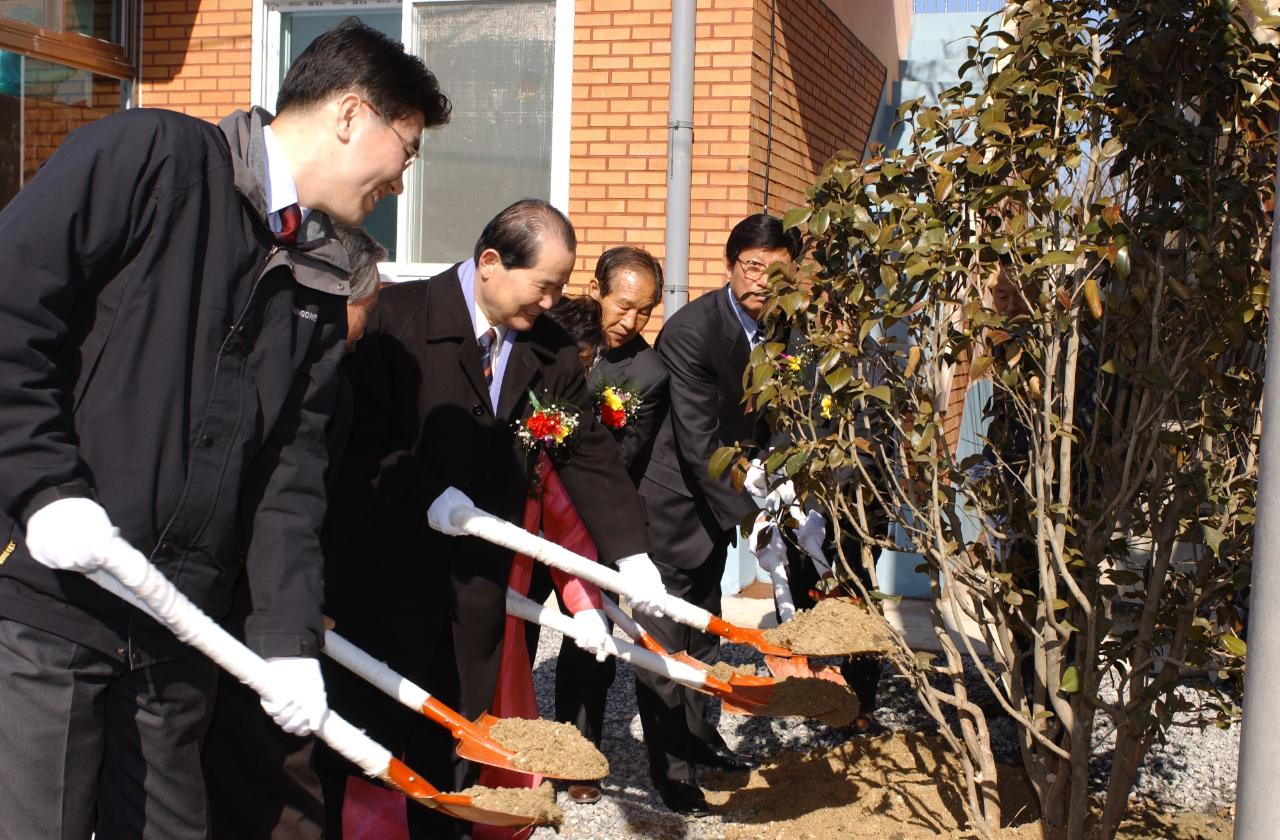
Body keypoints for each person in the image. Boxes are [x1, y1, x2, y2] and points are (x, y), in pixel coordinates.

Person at [0, 16, 449, 838]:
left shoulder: (318, 280)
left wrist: (284, 637)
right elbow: (9, 314)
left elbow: (290, 475)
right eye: (407, 150)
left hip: (178, 627)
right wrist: (43, 488)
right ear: (351, 115)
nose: (402, 181)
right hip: (49, 603)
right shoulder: (151, 159)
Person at [325, 198, 667, 839]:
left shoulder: (552, 348)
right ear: (490, 263)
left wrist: (630, 554)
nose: (551, 301)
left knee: (454, 756)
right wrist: (426, 492)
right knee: (364, 749)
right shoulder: (397, 320)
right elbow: (363, 440)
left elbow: (586, 450)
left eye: (561, 287)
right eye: (545, 285)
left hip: (475, 589)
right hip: (384, 576)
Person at [202, 223, 389, 840]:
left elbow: (315, 501)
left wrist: (307, 602)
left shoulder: (337, 382)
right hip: (231, 599)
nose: (366, 327)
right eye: (368, 307)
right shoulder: (261, 365)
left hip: (277, 600)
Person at [634, 213, 802, 815]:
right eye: (752, 266)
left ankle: (701, 739)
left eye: (775, 271)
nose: (761, 281)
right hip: (677, 500)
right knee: (664, 643)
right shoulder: (692, 332)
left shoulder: (785, 326)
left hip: (722, 500)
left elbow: (781, 412)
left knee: (706, 630)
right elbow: (699, 440)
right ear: (731, 267)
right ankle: (671, 773)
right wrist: (754, 503)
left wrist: (786, 478)